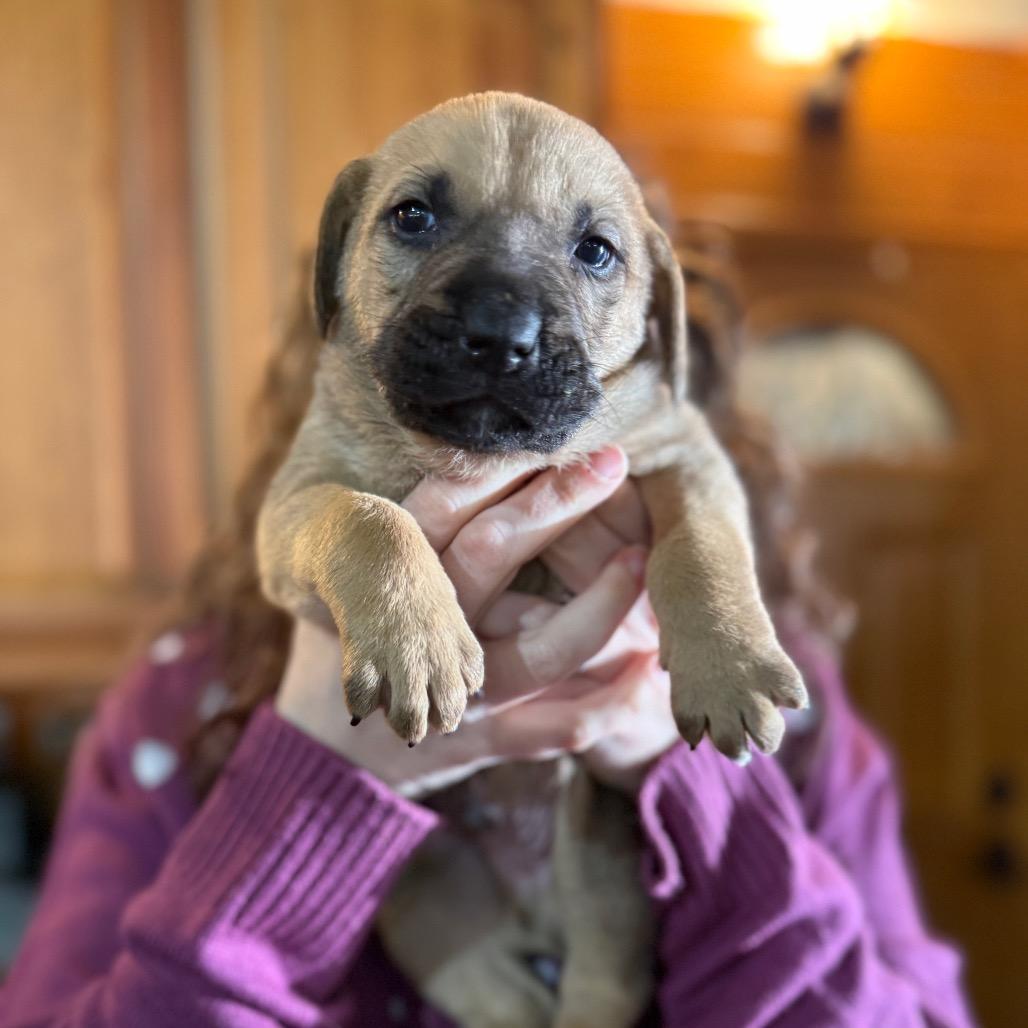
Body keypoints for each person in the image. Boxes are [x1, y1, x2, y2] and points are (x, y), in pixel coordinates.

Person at [0, 242, 975, 1028]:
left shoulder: (787, 709)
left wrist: (689, 761)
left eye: (591, 260)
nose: (502, 344)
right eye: (421, 236)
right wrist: (314, 777)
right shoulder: (184, 706)